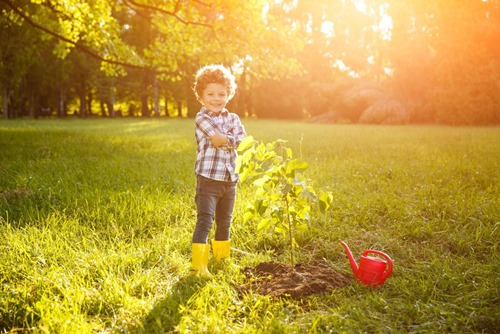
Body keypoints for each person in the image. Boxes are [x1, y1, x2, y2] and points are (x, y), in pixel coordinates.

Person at [191, 64, 247, 276]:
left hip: (229, 180)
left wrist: (228, 139)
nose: (216, 98)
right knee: (205, 220)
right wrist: (229, 139)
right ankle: (199, 266)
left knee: (225, 222)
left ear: (229, 94)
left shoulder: (233, 118)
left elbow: (243, 142)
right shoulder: (202, 117)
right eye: (211, 94)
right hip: (208, 180)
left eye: (221, 94)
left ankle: (222, 260)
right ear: (201, 95)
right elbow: (215, 139)